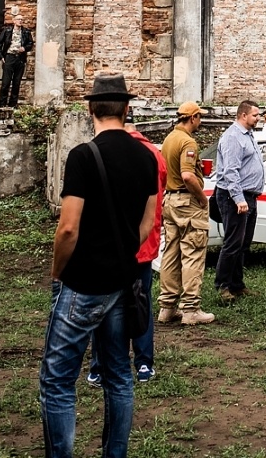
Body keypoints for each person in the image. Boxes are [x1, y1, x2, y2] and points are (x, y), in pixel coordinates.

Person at [39, 73, 159, 458]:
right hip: (123, 281)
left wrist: (58, 272)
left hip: (84, 283)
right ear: (127, 109)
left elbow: (68, 229)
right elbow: (147, 222)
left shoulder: (83, 155)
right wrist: (123, 253)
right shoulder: (146, 155)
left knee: (58, 380)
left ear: (90, 109)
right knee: (119, 376)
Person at [88, 106, 167, 386]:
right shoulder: (154, 155)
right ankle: (144, 364)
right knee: (140, 304)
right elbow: (158, 198)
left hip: (111, 246)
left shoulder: (106, 152)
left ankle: (99, 365)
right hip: (143, 244)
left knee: (103, 307)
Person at [158, 102, 216, 326]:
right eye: (199, 117)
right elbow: (188, 176)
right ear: (192, 118)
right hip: (186, 202)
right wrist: (202, 198)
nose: (200, 121)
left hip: (170, 200)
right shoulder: (187, 141)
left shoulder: (169, 138)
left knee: (171, 253)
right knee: (193, 252)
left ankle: (167, 307)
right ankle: (191, 308)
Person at [213, 100, 265, 304]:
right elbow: (230, 171)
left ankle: (237, 284)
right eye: (255, 115)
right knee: (233, 243)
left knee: (243, 244)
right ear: (243, 115)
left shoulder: (248, 135)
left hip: (249, 196)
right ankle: (223, 286)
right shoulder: (233, 137)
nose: (258, 118)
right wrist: (238, 198)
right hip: (235, 197)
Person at [0, 12, 33, 108]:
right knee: (6, 82)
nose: (20, 21)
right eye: (18, 19)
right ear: (14, 21)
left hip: (20, 58)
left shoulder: (26, 32)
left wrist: (24, 48)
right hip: (9, 57)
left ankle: (13, 104)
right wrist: (1, 57)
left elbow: (30, 43)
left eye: (22, 19)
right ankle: (2, 104)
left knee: (16, 83)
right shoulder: (7, 31)